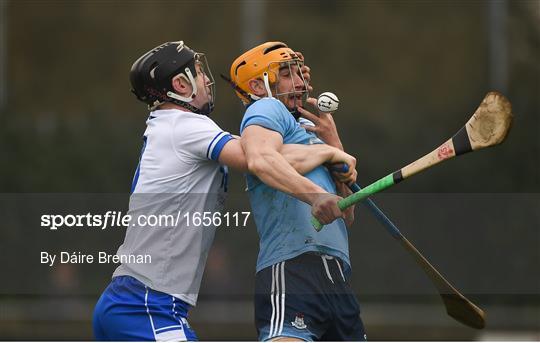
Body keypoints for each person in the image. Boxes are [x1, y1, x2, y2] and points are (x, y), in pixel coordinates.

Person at [92, 40, 357, 341]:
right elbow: (259, 158)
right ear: (180, 84)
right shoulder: (185, 124)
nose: (207, 79)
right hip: (145, 304)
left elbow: (269, 154)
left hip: (142, 301)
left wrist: (331, 149)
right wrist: (327, 155)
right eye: (199, 72)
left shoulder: (174, 127)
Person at [229, 41, 367, 341]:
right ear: (257, 84)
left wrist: (335, 146)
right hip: (294, 266)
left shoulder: (308, 128)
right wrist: (318, 193)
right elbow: (260, 158)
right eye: (288, 74)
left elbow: (346, 215)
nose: (301, 82)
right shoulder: (267, 107)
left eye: (300, 73)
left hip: (337, 271)